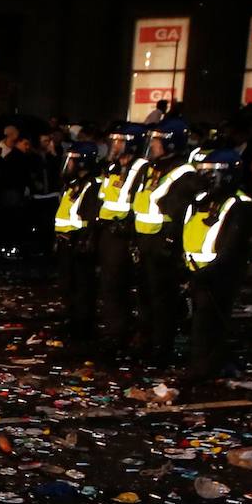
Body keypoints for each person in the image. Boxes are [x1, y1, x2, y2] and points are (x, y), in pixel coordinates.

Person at [180, 149, 252, 381]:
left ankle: (206, 367)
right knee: (200, 322)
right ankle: (202, 364)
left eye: (211, 173)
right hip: (197, 271)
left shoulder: (239, 204)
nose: (204, 178)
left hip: (220, 274)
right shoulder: (201, 200)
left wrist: (210, 271)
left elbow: (232, 246)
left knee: (211, 322)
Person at [131, 119, 197, 364]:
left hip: (163, 244)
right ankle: (147, 340)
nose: (152, 146)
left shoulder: (183, 172)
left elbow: (181, 213)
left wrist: (170, 242)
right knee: (146, 296)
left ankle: (162, 347)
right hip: (146, 240)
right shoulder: (152, 168)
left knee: (163, 300)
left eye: (157, 141)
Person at [95, 123, 151, 351]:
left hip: (125, 233)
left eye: (120, 141)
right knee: (109, 285)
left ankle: (123, 332)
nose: (115, 146)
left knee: (120, 284)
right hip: (108, 232)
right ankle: (114, 330)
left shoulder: (142, 168)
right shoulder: (113, 167)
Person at [53, 141, 103, 344]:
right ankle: (71, 320)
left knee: (83, 287)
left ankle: (82, 327)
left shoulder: (92, 185)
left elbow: (90, 217)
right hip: (66, 242)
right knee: (69, 286)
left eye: (72, 161)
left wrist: (84, 239)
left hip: (80, 243)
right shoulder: (72, 185)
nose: (68, 165)